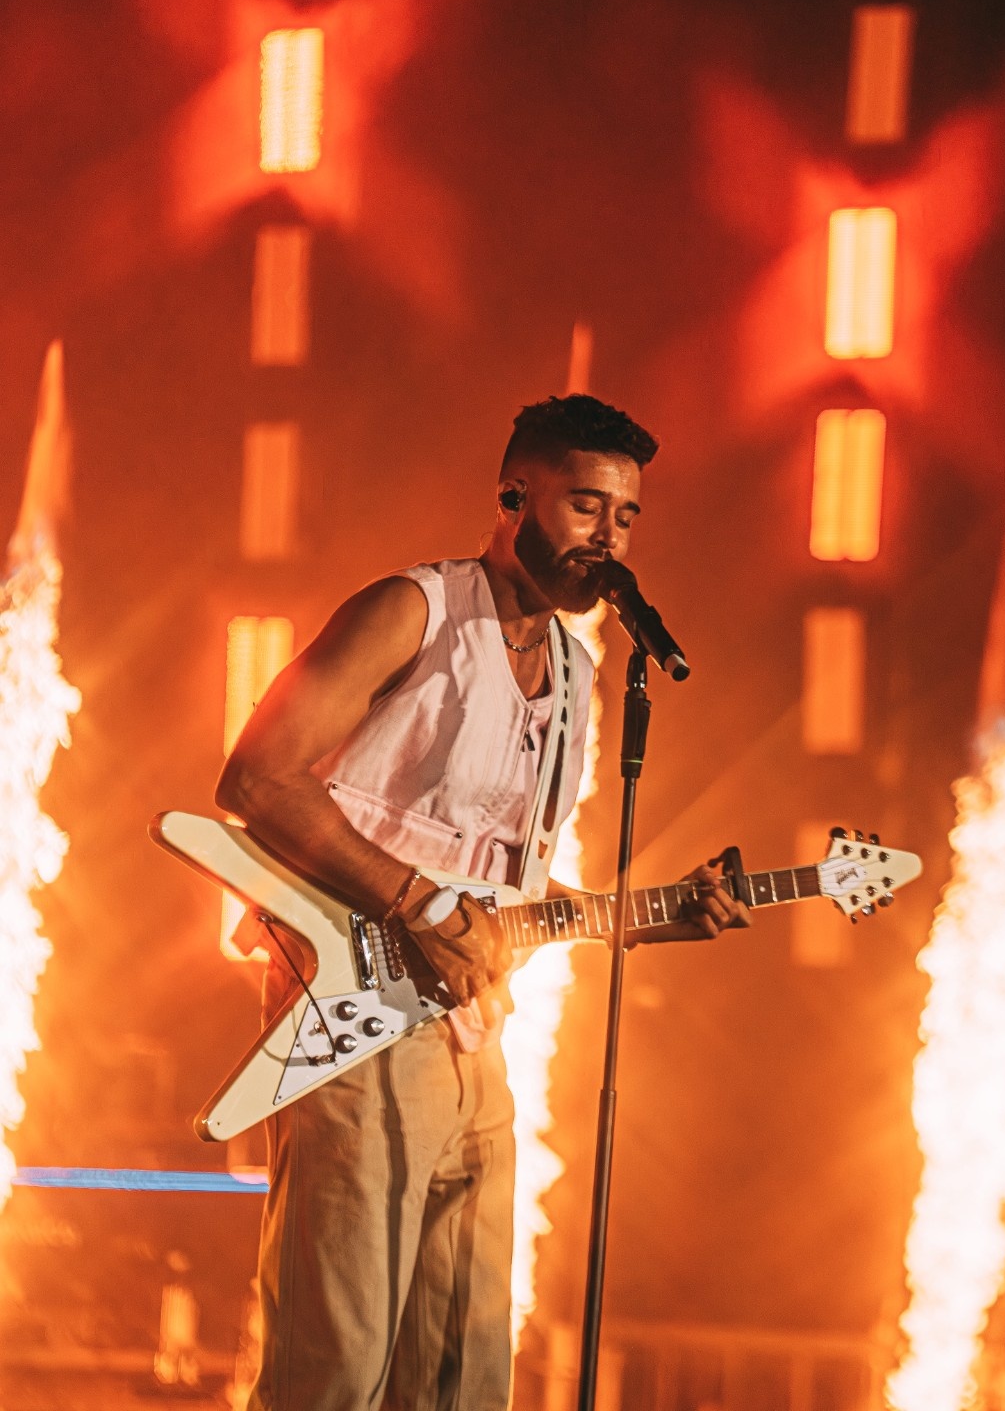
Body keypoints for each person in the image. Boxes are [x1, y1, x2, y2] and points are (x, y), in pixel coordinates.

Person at [216, 393, 749, 1411]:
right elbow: (257, 776)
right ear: (513, 496)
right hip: (353, 1022)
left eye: (626, 515)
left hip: (473, 1035)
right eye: (584, 505)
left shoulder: (578, 675)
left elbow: (496, 895)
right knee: (336, 1366)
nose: (608, 536)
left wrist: (652, 915)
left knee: (464, 1377)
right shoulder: (411, 610)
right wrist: (418, 904)